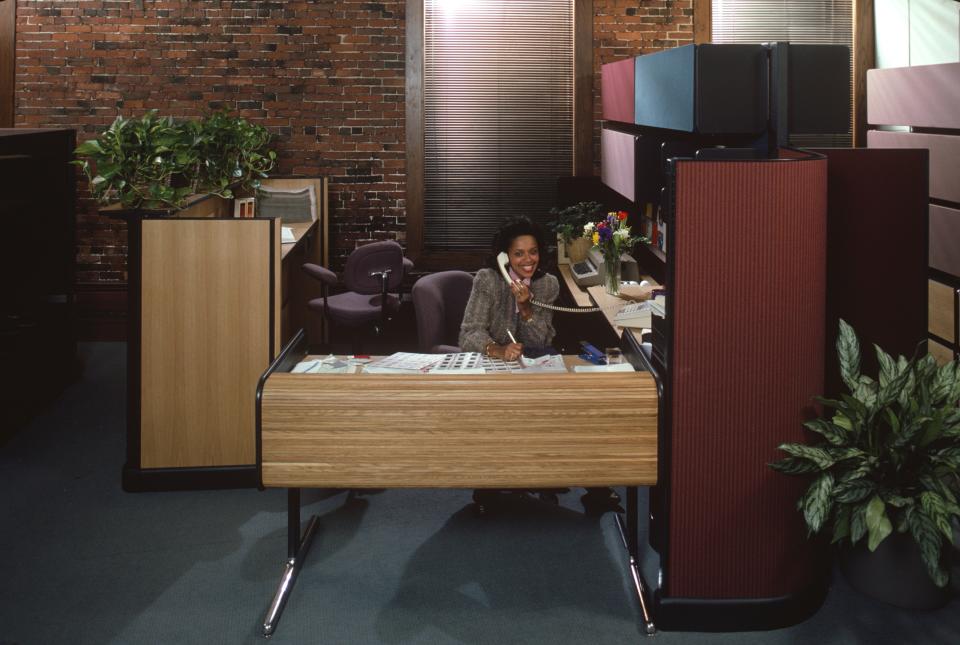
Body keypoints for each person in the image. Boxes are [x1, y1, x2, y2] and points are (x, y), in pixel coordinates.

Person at [459, 216, 560, 360]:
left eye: (533, 252)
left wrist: (526, 310)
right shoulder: (487, 280)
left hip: (531, 365)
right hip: (490, 361)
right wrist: (497, 349)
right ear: (504, 256)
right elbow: (469, 333)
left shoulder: (548, 284)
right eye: (519, 253)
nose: (528, 259)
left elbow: (539, 343)